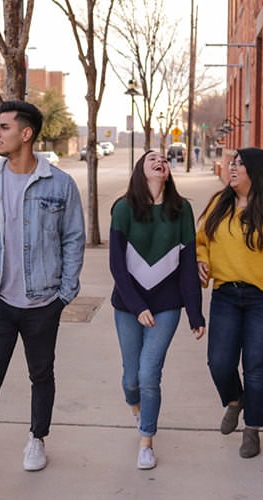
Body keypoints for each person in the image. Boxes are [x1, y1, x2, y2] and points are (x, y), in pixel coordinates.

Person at [0, 101, 85, 492]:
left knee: (41, 374)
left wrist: (65, 291)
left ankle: (37, 438)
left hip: (43, 301)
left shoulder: (59, 184)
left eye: (3, 127)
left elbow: (73, 237)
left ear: (25, 134)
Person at [196, 147, 263, 459]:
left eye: (240, 165)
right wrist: (200, 261)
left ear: (256, 172)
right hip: (226, 295)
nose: (232, 168)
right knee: (219, 363)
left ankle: (253, 428)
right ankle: (234, 400)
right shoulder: (220, 203)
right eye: (232, 163)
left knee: (256, 368)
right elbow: (201, 241)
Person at [109, 150, 206, 470]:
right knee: (130, 379)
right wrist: (137, 307)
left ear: (168, 171)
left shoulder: (182, 210)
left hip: (166, 306)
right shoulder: (123, 209)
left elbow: (189, 266)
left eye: (164, 158)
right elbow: (117, 267)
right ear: (141, 169)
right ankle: (138, 409)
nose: (160, 160)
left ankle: (146, 439)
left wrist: (195, 313)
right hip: (128, 305)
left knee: (149, 374)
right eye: (152, 158)